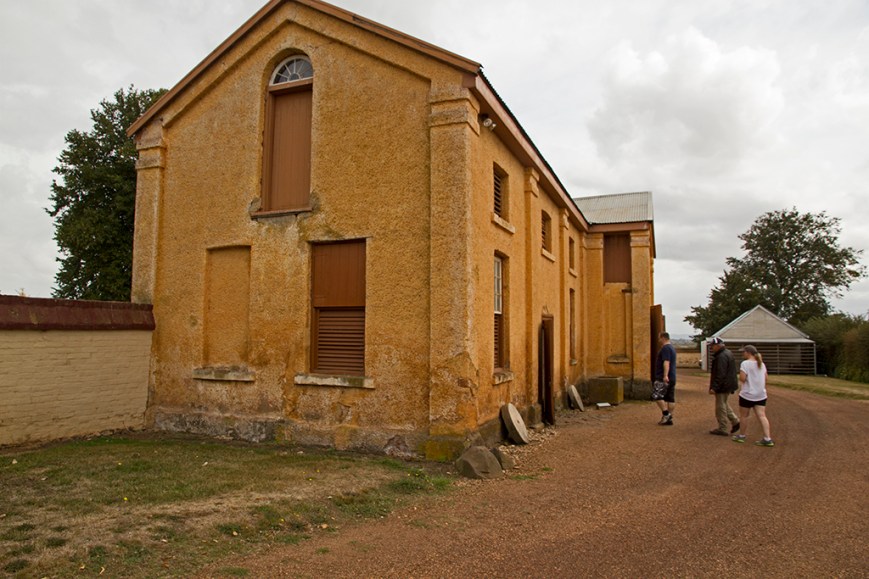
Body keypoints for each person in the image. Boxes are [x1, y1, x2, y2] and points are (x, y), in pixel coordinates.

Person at [732, 345, 774, 447]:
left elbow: (742, 378)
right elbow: (766, 378)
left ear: (748, 352)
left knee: (744, 416)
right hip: (760, 394)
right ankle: (767, 438)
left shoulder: (745, 364)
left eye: (744, 352)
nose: (743, 354)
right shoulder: (762, 364)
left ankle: (742, 436)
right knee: (762, 416)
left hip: (747, 394)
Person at [707, 337, 740, 436]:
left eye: (713, 346)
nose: (712, 348)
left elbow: (720, 374)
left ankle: (723, 427)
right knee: (724, 404)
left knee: (720, 407)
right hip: (728, 384)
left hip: (723, 385)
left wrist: (714, 387)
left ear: (717, 346)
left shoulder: (721, 357)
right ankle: (735, 421)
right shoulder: (728, 353)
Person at [653, 332, 677, 425]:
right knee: (670, 398)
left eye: (659, 338)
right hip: (672, 376)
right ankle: (669, 416)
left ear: (663, 338)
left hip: (664, 377)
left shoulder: (665, 348)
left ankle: (666, 414)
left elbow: (666, 362)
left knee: (657, 395)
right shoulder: (672, 348)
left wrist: (665, 375)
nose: (659, 340)